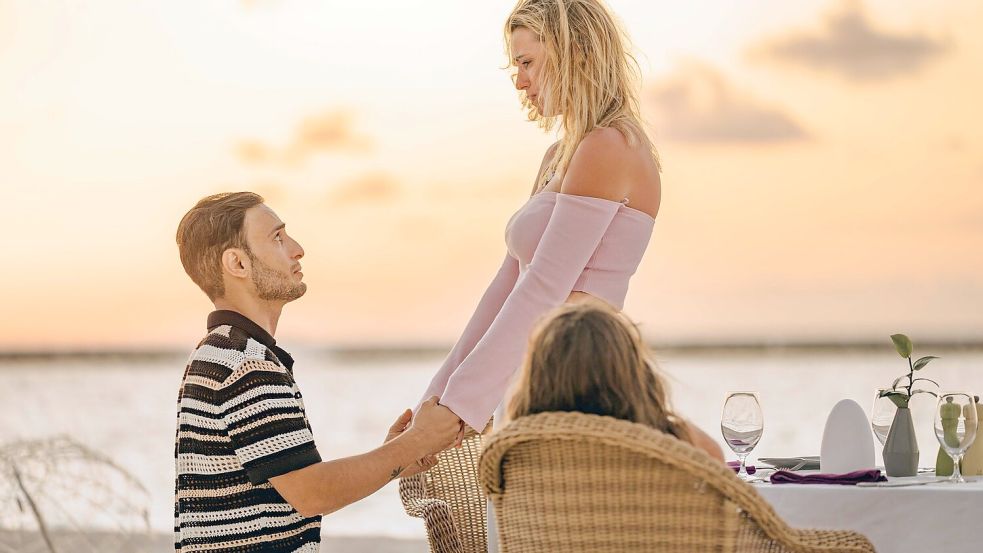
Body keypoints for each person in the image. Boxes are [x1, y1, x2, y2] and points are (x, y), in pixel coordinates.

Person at [420, 0, 662, 436]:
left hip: (579, 380)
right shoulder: (559, 156)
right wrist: (436, 397)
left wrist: (460, 405)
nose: (519, 80)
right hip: (535, 377)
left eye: (527, 62)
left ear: (577, 53)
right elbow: (506, 287)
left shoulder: (609, 145)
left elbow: (545, 286)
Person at [173, 192, 461, 552]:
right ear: (238, 264)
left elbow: (293, 486)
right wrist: (413, 443)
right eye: (277, 237)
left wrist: (395, 458)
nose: (297, 249)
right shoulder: (246, 362)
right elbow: (312, 493)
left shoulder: (223, 352)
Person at [507, 300, 725, 462]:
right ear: (633, 372)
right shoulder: (671, 443)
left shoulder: (513, 452)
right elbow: (722, 480)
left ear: (537, 379)